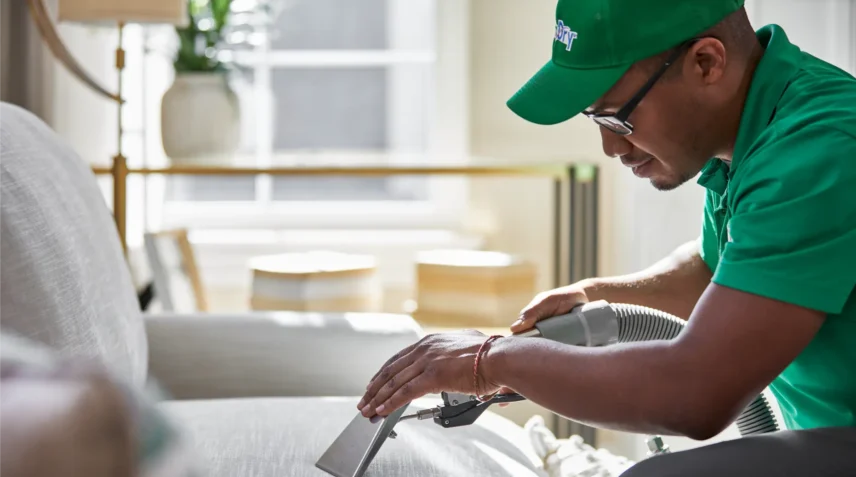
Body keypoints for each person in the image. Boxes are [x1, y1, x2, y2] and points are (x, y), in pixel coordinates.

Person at [358, 0, 856, 474]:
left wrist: (492, 361)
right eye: (595, 119)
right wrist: (598, 294)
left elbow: (695, 396)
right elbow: (718, 269)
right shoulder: (754, 126)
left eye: (618, 117)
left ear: (706, 62)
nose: (611, 146)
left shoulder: (816, 151)